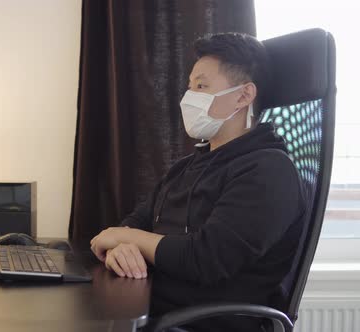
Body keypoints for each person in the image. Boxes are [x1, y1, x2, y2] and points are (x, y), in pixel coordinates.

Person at [90, 32, 307, 331]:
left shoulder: (269, 171)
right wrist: (119, 249)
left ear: (244, 96)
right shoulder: (185, 168)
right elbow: (133, 223)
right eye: (190, 86)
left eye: (202, 86)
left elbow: (205, 259)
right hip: (147, 310)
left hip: (200, 324)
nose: (188, 97)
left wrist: (123, 238)